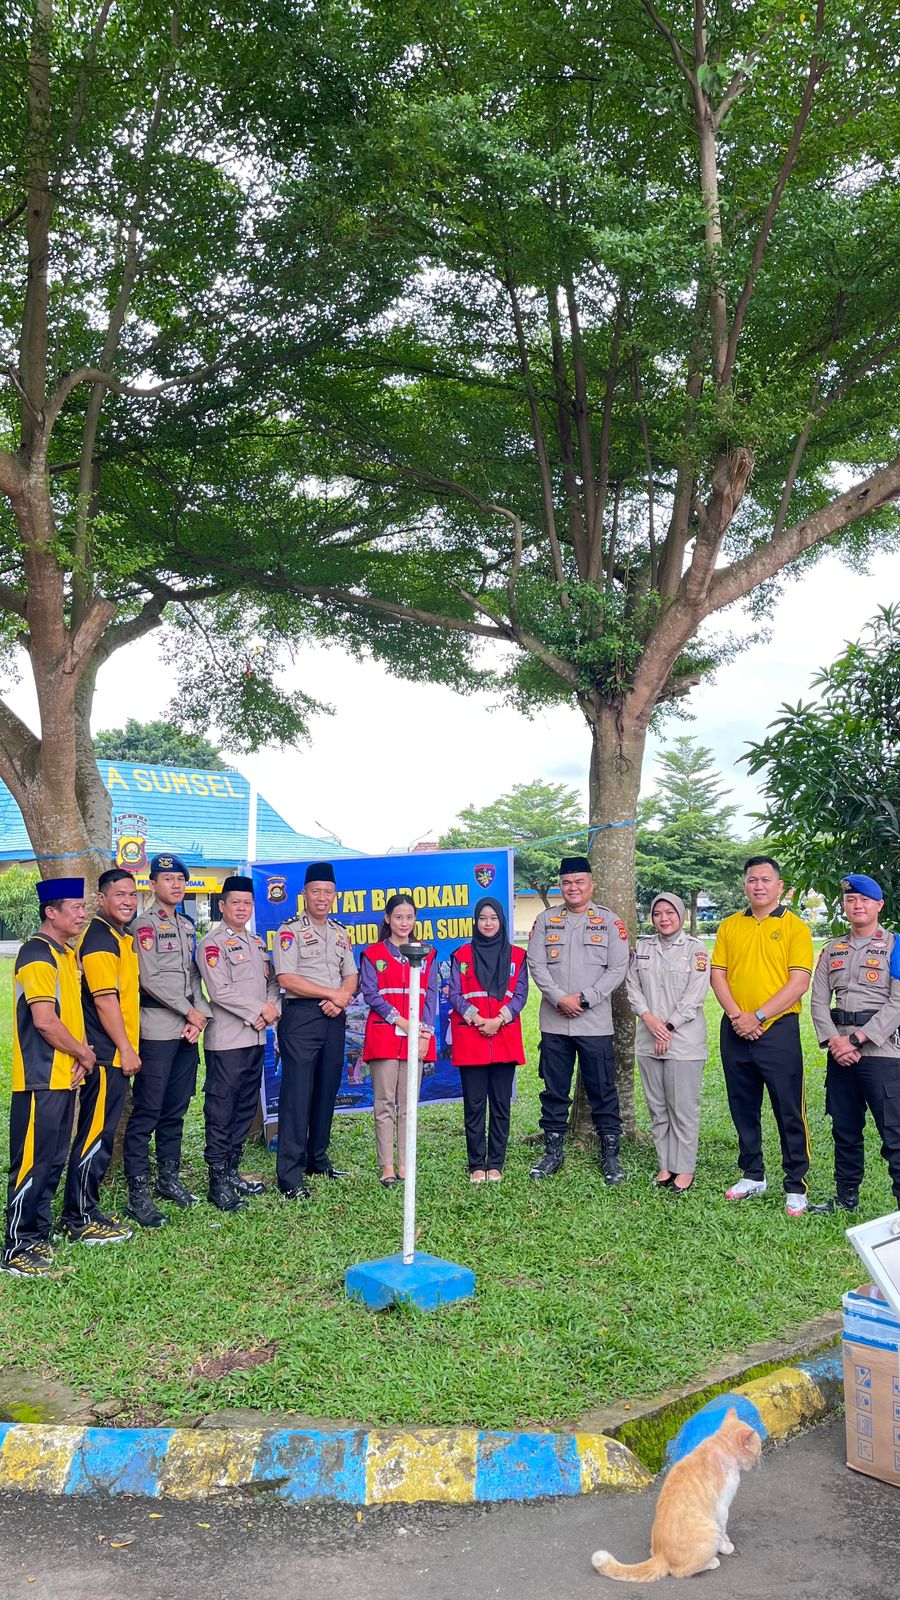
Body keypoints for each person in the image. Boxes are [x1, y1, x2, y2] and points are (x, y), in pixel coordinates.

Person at [2, 878, 96, 1278]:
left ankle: (38, 1234)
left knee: (53, 1160)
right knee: (30, 1163)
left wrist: (80, 1056)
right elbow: (44, 1021)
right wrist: (84, 1054)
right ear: (51, 912)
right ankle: (16, 1246)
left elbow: (70, 1015)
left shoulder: (65, 954)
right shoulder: (37, 954)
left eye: (83, 906)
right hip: (39, 1077)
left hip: (64, 1075)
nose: (82, 914)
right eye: (75, 907)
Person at [710, 855, 814, 1216]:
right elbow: (718, 975)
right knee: (742, 1104)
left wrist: (757, 1016)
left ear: (779, 886)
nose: (758, 886)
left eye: (766, 880)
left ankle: (796, 1184)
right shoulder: (730, 926)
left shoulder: (795, 927)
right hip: (735, 1027)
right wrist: (737, 1016)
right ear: (744, 885)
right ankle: (752, 1173)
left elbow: (798, 982)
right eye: (752, 880)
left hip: (778, 1030)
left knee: (789, 1108)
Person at [526, 855, 630, 1183]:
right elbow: (536, 964)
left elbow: (618, 967)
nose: (573, 887)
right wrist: (559, 998)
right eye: (567, 882)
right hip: (555, 1021)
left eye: (579, 882)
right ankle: (553, 1153)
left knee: (602, 1089)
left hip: (594, 1022)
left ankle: (610, 1157)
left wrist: (585, 999)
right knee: (554, 1090)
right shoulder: (545, 921)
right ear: (560, 886)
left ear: (591, 885)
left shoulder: (610, 922)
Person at [124, 853, 211, 1228]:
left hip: (186, 1032)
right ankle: (138, 1192)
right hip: (157, 1030)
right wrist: (189, 1012)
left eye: (180, 879)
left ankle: (168, 1179)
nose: (176, 885)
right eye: (168, 879)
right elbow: (150, 979)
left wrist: (199, 1015)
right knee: (147, 1111)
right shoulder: (143, 926)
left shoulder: (187, 926)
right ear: (152, 884)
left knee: (175, 1109)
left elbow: (193, 975)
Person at [808, 874, 900, 1214]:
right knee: (845, 1130)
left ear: (879, 905)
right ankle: (846, 1199)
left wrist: (857, 1040)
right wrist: (835, 1041)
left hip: (882, 1053)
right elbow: (818, 1000)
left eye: (864, 900)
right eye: (850, 900)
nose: (857, 905)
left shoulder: (896, 945)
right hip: (840, 1053)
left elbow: (898, 1003)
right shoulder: (833, 949)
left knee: (894, 1134)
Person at [59, 869, 141, 1246]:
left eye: (132, 894)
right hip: (106, 1055)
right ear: (102, 899)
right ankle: (78, 1218)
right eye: (119, 894)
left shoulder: (117, 936)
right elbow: (106, 1001)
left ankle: (86, 1210)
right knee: (95, 1135)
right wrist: (126, 1049)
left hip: (113, 1052)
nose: (128, 901)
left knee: (101, 1134)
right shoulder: (99, 941)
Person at [272, 861, 358, 1200]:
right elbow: (287, 978)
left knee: (326, 1090)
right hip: (301, 1018)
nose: (322, 898)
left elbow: (350, 974)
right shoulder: (289, 931)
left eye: (328, 892)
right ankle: (289, 1176)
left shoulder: (339, 932)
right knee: (297, 1095)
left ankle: (317, 1160)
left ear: (334, 895)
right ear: (304, 894)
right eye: (316, 891)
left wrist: (341, 998)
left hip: (334, 1017)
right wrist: (332, 994)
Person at [197, 874, 281, 1211]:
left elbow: (273, 983)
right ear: (222, 906)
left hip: (256, 1038)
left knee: (245, 1107)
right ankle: (217, 1181)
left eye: (247, 903)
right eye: (235, 902)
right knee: (221, 1110)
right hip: (227, 1041)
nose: (242, 908)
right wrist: (259, 1010)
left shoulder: (257, 943)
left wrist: (270, 1009)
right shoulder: (212, 944)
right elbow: (219, 991)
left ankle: (232, 1172)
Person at [626, 893, 709, 1194]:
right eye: (658, 913)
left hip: (684, 1042)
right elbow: (632, 986)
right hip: (648, 1039)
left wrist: (668, 1027)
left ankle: (684, 1169)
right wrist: (650, 1021)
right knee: (658, 1108)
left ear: (682, 915)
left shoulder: (696, 950)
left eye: (670, 912)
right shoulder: (643, 948)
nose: (664, 918)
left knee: (683, 1109)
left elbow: (695, 995)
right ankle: (665, 1165)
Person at [358, 893, 437, 1186]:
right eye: (398, 917)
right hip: (384, 1033)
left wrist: (424, 1033)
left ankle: (405, 1164)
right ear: (387, 919)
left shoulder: (427, 953)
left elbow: (430, 996)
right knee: (384, 1103)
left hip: (417, 1037)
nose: (404, 923)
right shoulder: (373, 954)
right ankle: (387, 1167)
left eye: (409, 917)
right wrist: (402, 1021)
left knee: (408, 1104)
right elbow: (371, 994)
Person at [449, 896, 528, 1182]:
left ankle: (495, 1163)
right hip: (471, 1038)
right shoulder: (461, 955)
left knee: (501, 1105)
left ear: (501, 921)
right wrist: (476, 1018)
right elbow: (454, 993)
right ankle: (476, 1165)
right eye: (482, 918)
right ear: (475, 921)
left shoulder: (517, 956)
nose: (488, 923)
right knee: (474, 1106)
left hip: (504, 1037)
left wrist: (498, 1020)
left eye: (493, 918)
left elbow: (521, 994)